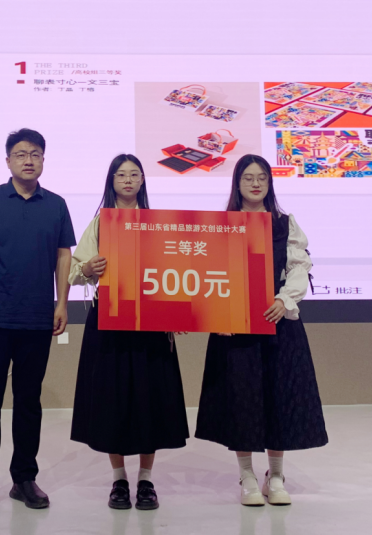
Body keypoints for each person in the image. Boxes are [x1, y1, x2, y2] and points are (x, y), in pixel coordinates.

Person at [195, 154, 328, 506]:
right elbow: (207, 273)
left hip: (277, 324)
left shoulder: (284, 224)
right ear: (237, 183)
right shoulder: (221, 225)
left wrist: (285, 300)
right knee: (241, 400)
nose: (255, 184)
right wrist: (218, 315)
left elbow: (299, 267)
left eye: (262, 178)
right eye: (248, 178)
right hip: (234, 332)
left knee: (278, 397)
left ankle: (276, 475)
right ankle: (247, 476)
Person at [0, 128, 76, 515]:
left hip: (36, 319)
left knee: (29, 402)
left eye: (36, 154)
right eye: (21, 154)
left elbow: (63, 256)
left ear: (43, 160)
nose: (29, 160)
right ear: (8, 160)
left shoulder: (56, 205)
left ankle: (24, 478)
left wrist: (62, 303)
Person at [69, 154, 189, 511]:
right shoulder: (101, 223)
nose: (127, 179)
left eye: (134, 174)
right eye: (121, 174)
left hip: (152, 324)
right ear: (112, 180)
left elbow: (177, 271)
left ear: (142, 181)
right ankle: (119, 479)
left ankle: (146, 480)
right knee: (113, 399)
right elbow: (74, 270)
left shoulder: (158, 223)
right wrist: (88, 268)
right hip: (110, 322)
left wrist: (176, 312)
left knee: (151, 399)